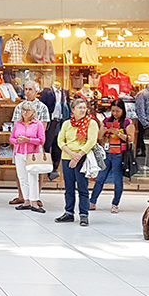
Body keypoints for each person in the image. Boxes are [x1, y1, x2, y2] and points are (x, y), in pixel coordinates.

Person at [55, 97, 100, 226]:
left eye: (84, 108)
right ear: (73, 110)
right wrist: (71, 154)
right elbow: (60, 140)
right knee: (69, 187)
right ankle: (69, 212)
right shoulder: (66, 124)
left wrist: (78, 155)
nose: (82, 110)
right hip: (67, 157)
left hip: (82, 158)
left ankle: (84, 214)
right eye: (79, 108)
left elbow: (91, 141)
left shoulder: (91, 123)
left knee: (82, 187)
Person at [90, 97, 136, 215]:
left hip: (120, 154)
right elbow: (99, 138)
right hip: (107, 153)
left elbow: (131, 139)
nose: (115, 114)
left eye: (117, 111)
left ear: (122, 110)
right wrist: (104, 130)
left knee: (117, 180)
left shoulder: (128, 123)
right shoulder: (106, 121)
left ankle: (115, 203)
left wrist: (119, 133)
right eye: (113, 111)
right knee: (100, 178)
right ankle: (92, 201)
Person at [9, 99, 47, 212]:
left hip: (32, 154)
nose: (25, 112)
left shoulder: (38, 124)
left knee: (33, 177)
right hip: (19, 153)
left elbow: (42, 140)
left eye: (28, 110)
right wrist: (17, 141)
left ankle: (34, 202)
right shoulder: (17, 124)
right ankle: (26, 200)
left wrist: (28, 140)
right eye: (24, 110)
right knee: (22, 177)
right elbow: (11, 138)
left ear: (33, 112)